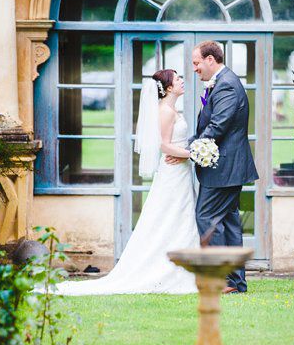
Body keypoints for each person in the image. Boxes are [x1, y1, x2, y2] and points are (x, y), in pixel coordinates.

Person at [55, 70, 198, 295]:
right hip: (173, 172)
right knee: (171, 216)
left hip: (180, 171)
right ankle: (170, 269)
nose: (182, 81)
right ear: (169, 87)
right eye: (178, 78)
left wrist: (188, 151)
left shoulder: (173, 110)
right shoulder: (166, 112)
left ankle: (187, 268)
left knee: (182, 216)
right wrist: (194, 153)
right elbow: (164, 145)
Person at [167, 41, 258, 294]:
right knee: (228, 222)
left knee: (206, 217)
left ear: (210, 60)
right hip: (226, 167)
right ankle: (235, 282)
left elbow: (217, 126)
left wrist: (189, 152)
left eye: (196, 63)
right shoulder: (223, 82)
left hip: (224, 168)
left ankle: (223, 280)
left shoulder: (226, 84)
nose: (194, 69)